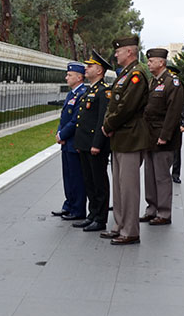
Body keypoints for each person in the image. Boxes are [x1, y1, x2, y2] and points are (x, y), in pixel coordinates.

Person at [100, 35, 151, 245]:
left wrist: (108, 125)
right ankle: (119, 225)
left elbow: (127, 107)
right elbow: (114, 104)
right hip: (121, 136)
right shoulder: (125, 74)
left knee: (129, 187)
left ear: (129, 52)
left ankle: (130, 231)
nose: (115, 55)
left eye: (118, 51)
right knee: (119, 186)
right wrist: (109, 124)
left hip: (130, 136)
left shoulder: (137, 75)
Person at [141, 48, 184, 225]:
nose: (148, 64)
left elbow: (173, 112)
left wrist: (165, 135)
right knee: (149, 176)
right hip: (149, 136)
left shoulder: (172, 82)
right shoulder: (153, 81)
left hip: (162, 137)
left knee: (161, 177)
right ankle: (151, 209)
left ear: (161, 62)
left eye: (151, 61)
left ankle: (164, 213)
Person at [72, 50, 113, 232]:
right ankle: (92, 214)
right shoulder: (91, 89)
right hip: (85, 144)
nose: (86, 68)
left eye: (90, 66)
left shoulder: (104, 91)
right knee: (89, 181)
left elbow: (102, 121)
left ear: (99, 70)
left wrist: (97, 144)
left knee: (99, 182)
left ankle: (100, 218)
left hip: (95, 146)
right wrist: (80, 144)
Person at [50, 62, 89, 220]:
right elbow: (64, 117)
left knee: (77, 177)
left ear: (79, 77)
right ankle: (69, 205)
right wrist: (59, 133)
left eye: (69, 75)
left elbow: (75, 120)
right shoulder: (71, 94)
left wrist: (63, 135)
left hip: (74, 142)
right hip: (66, 143)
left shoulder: (82, 94)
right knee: (67, 176)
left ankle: (78, 210)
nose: (66, 78)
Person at [166, 64, 184, 184]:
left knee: (176, 150)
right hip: (164, 123)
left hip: (176, 123)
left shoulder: (179, 86)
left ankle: (175, 173)